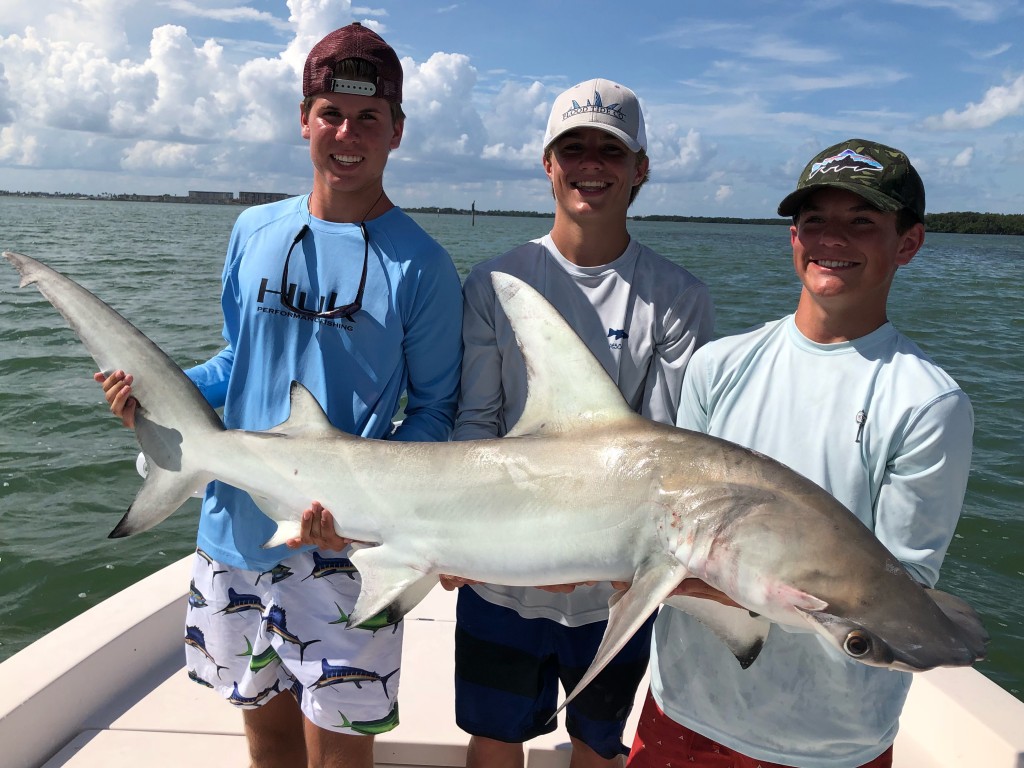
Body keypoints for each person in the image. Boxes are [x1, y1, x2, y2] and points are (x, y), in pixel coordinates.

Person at [95, 22, 463, 768]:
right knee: (262, 726)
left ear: (397, 130)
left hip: (344, 550)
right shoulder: (252, 229)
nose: (347, 134)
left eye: (368, 118)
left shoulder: (422, 265)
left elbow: (434, 412)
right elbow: (242, 357)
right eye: (330, 113)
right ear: (303, 120)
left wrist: (367, 511)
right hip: (233, 526)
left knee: (338, 748)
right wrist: (158, 398)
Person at [627, 139, 975, 768]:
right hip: (684, 707)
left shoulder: (927, 403)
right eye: (815, 219)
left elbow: (899, 596)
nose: (832, 238)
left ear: (909, 243)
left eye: (862, 221)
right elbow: (667, 528)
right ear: (792, 236)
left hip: (832, 741)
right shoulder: (716, 367)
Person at [447, 78, 715, 768]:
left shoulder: (678, 298)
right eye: (574, 148)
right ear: (547, 162)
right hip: (502, 579)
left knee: (598, 744)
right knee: (495, 736)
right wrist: (457, 543)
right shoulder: (494, 284)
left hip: (615, 594)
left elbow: (665, 460)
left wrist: (586, 557)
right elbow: (475, 427)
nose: (591, 164)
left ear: (641, 169)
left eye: (611, 150)